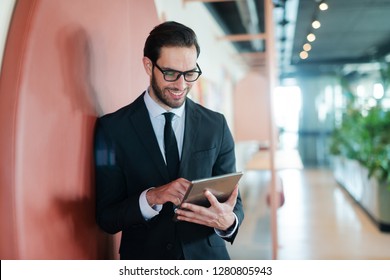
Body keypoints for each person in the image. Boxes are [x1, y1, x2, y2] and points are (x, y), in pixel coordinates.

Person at [94, 21, 244, 260]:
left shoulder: (216, 125)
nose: (182, 85)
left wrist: (228, 221)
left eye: (190, 73)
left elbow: (233, 202)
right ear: (148, 65)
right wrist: (152, 197)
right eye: (171, 73)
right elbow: (107, 217)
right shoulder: (111, 129)